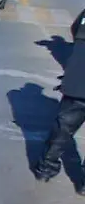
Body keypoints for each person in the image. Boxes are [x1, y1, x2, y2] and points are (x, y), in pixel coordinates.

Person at [34, 30, 85, 193]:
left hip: (79, 83)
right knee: (62, 129)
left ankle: (46, 169)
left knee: (63, 130)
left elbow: (76, 29)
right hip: (79, 82)